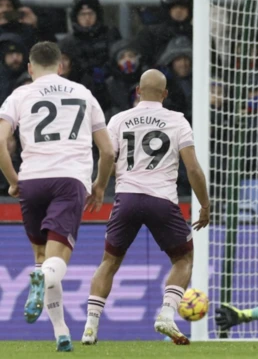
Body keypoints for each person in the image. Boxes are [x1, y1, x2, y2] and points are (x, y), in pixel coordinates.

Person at [80, 69, 210, 346]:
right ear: (164, 94)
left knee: (109, 262)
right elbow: (193, 168)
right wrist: (205, 203)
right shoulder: (177, 121)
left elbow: (108, 157)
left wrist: (101, 185)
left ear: (138, 91)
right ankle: (166, 313)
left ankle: (90, 325)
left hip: (126, 198)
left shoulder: (118, 120)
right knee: (183, 259)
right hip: (162, 200)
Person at [0, 41, 115, 352]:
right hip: (68, 179)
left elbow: (1, 140)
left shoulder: (19, 94)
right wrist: (101, 185)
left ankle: (61, 333)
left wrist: (13, 180)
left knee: (41, 259)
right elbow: (107, 150)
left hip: (32, 179)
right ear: (61, 66)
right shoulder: (82, 93)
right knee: (56, 260)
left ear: (30, 68)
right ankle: (40, 282)